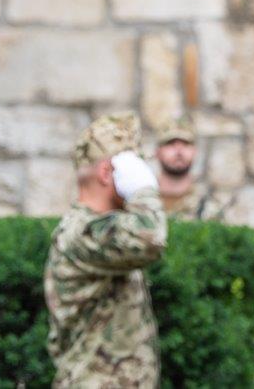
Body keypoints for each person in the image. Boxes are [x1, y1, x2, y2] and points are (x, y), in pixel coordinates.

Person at [45, 113, 167, 388]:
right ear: (106, 172)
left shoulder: (101, 228)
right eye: (133, 167)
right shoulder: (86, 231)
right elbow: (151, 237)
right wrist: (143, 190)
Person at [153, 115, 226, 221]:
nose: (179, 151)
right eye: (171, 144)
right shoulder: (141, 203)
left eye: (185, 144)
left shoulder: (208, 208)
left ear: (194, 151)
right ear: (158, 152)